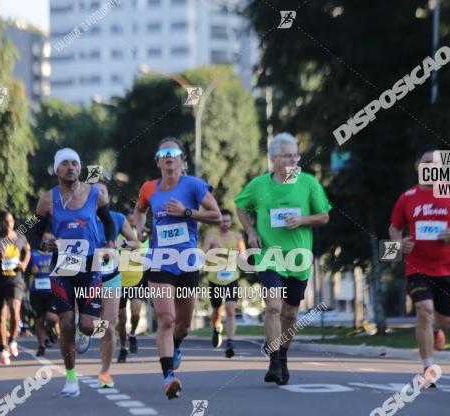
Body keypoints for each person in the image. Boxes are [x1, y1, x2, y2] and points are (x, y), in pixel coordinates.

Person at [235, 132, 332, 385]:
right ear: (273, 158)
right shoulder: (259, 185)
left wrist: (302, 220)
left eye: (295, 155)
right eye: (287, 155)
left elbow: (324, 216)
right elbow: (241, 207)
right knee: (273, 307)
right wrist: (251, 231)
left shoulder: (308, 183)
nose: (293, 160)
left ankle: (284, 355)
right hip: (270, 256)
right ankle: (274, 360)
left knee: (290, 314)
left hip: (299, 258)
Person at [132, 137, 221, 399]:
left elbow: (216, 215)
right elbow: (139, 210)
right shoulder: (149, 188)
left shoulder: (193, 185)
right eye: (164, 153)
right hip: (160, 262)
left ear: (182, 159)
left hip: (186, 264)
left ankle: (177, 345)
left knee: (182, 326)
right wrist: (139, 226)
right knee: (166, 319)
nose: (169, 157)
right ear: (158, 161)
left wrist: (187, 213)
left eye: (174, 153)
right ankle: (168, 376)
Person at [389, 148, 450, 386]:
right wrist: (399, 243)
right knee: (424, 311)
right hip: (417, 267)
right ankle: (428, 367)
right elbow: (394, 227)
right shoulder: (407, 197)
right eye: (427, 162)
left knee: (445, 322)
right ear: (417, 165)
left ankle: (439, 331)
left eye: (436, 163)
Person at [36, 147, 116, 398]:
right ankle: (71, 378)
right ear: (57, 169)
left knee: (88, 325)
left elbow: (110, 222)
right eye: (65, 164)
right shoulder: (48, 199)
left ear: (80, 168)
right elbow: (34, 233)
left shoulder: (95, 194)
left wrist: (111, 242)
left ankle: (97, 331)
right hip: (62, 267)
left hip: (90, 265)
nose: (71, 167)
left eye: (75, 163)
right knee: (66, 323)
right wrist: (43, 240)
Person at [95, 208, 139, 387]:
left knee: (111, 324)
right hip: (87, 275)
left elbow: (135, 243)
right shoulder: (80, 215)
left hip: (115, 276)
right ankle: (85, 330)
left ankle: (105, 372)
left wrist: (120, 245)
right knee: (92, 323)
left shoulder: (117, 218)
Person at [0, 210, 30, 365]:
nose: (8, 224)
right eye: (4, 221)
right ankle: (3, 348)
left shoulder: (20, 237)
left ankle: (13, 340)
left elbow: (27, 252)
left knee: (15, 310)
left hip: (15, 280)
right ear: (0, 223)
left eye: (10, 221)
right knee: (0, 317)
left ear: (13, 222)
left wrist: (24, 263)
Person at [202, 210, 245, 358]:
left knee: (231, 310)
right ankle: (216, 327)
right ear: (217, 222)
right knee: (216, 311)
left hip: (232, 279)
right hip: (215, 280)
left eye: (227, 221)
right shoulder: (211, 237)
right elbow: (203, 255)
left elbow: (243, 256)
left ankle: (230, 342)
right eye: (222, 221)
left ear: (231, 222)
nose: (224, 224)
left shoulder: (238, 237)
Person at [117, 208, 148, 363]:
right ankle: (123, 348)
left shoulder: (143, 237)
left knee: (135, 313)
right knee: (121, 319)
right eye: (128, 221)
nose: (131, 223)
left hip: (137, 280)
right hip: (119, 281)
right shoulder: (117, 236)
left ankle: (133, 334)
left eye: (133, 220)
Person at [27, 230, 60, 356]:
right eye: (45, 239)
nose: (47, 242)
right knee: (39, 320)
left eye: (50, 239)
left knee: (52, 318)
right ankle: (41, 346)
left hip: (52, 292)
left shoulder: (56, 255)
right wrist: (31, 270)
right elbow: (25, 271)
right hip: (36, 292)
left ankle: (50, 329)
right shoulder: (33, 253)